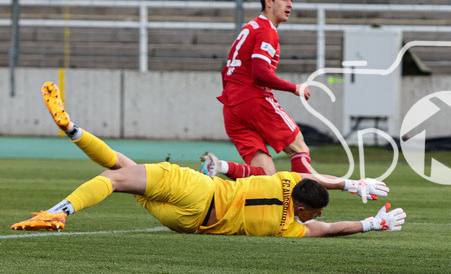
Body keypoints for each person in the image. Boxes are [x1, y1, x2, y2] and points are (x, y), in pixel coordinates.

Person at [11, 82, 405, 238]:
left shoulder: (284, 181)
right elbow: (331, 229)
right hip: (189, 222)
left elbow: (314, 182)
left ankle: (59, 209)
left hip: (200, 190)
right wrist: (372, 224)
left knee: (113, 177)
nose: (313, 218)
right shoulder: (287, 228)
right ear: (303, 208)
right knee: (122, 170)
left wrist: (351, 184)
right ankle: (73, 130)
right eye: (312, 214)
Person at [202, 0, 316, 181]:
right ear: (268, 2)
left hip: (231, 107)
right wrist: (295, 88)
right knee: (299, 148)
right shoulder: (266, 30)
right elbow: (260, 73)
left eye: (291, 0)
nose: (290, 4)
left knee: (266, 176)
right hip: (254, 101)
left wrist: (237, 100)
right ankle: (303, 208)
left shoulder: (250, 27)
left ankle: (219, 165)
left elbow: (226, 71)